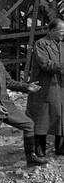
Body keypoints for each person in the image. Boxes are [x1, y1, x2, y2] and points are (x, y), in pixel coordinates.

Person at [0, 39, 48, 183]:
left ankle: (31, 157)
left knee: (29, 124)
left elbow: (10, 82)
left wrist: (27, 87)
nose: (0, 51)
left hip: (8, 106)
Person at [26, 18, 64, 157]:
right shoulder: (41, 44)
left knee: (61, 116)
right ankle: (39, 151)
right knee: (42, 119)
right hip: (45, 88)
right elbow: (45, 64)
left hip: (59, 87)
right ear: (52, 30)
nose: (63, 34)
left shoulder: (61, 45)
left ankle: (60, 149)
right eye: (61, 31)